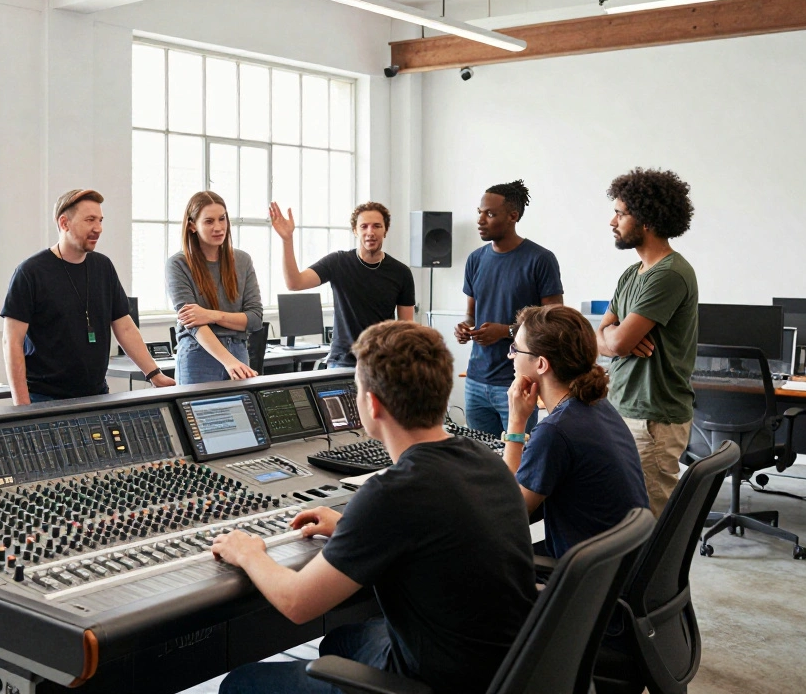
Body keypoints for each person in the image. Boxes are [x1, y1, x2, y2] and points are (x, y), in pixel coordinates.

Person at [213, 321, 536, 694]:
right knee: (340, 641)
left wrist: (248, 552)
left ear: (372, 403)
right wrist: (351, 524)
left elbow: (297, 603)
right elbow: (434, 523)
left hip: (437, 682)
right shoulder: (485, 460)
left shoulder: (393, 493)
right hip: (503, 668)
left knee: (241, 683)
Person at [503, 304, 649, 560]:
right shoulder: (597, 406)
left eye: (515, 349)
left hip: (588, 579)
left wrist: (516, 423)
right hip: (617, 565)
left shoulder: (555, 431)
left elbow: (508, 513)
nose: (510, 356)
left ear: (541, 364)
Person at [1, 189, 175, 404]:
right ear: (64, 223)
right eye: (90, 220)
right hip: (44, 398)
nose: (98, 228)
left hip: (97, 393)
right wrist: (22, 406)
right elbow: (12, 342)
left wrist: (154, 374)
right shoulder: (30, 272)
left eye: (100, 220)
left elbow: (125, 326)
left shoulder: (103, 267)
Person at [597, 168, 698, 517]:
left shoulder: (668, 275)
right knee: (623, 517)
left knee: (647, 523)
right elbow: (602, 336)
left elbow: (619, 342)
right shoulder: (631, 273)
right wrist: (612, 338)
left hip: (652, 420)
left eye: (621, 213)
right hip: (622, 407)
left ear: (646, 220)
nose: (613, 221)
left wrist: (616, 339)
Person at [454, 180, 563, 437]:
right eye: (479, 212)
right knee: (482, 461)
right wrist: (464, 326)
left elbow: (555, 322)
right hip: (475, 381)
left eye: (490, 214)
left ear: (513, 216)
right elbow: (471, 312)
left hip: (518, 382)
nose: (481, 220)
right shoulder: (475, 259)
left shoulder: (540, 259)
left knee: (519, 460)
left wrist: (506, 332)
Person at [269, 201, 415, 367]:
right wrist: (287, 240)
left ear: (385, 230)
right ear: (355, 230)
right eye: (364, 226)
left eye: (376, 226)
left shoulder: (401, 272)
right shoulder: (338, 262)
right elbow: (295, 283)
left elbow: (406, 329)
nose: (370, 232)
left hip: (381, 365)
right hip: (342, 362)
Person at [166, 191, 264, 384]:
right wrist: (229, 362)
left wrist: (212, 315)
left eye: (222, 219)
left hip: (238, 351)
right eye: (209, 221)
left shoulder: (242, 260)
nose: (218, 227)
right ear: (193, 225)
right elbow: (193, 323)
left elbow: (254, 319)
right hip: (198, 355)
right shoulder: (178, 264)